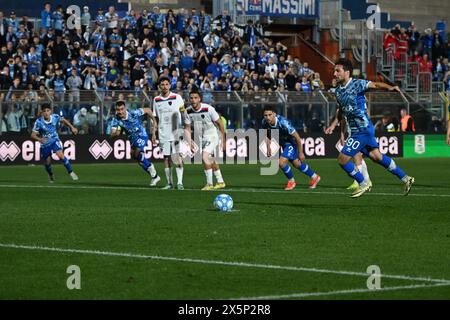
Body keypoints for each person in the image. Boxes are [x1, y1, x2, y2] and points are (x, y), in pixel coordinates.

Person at [330, 58, 414, 198]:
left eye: (338, 70)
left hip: (361, 130)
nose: (335, 73)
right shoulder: (338, 91)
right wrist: (338, 129)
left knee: (342, 159)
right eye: (334, 70)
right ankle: (406, 178)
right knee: (376, 157)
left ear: (347, 72)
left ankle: (363, 183)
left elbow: (375, 84)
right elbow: (342, 112)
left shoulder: (357, 84)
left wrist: (390, 87)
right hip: (358, 131)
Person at [262, 105, 321, 191]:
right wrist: (268, 148)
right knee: (296, 164)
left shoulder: (283, 123)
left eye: (269, 114)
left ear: (274, 114)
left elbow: (297, 137)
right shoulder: (264, 122)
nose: (267, 117)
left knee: (281, 162)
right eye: (265, 115)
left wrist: (301, 152)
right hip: (283, 143)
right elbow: (266, 135)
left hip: (291, 143)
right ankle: (315, 177)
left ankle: (291, 181)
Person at [110, 100, 160, 186]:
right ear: (116, 110)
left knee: (137, 153)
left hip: (142, 135)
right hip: (132, 139)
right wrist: (116, 134)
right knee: (136, 158)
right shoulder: (115, 119)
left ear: (125, 108)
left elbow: (147, 110)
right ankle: (155, 176)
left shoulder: (133, 113)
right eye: (118, 110)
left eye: (122, 109)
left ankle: (152, 169)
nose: (120, 112)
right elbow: (111, 135)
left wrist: (154, 121)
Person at [184, 89, 226, 190]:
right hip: (202, 138)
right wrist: (189, 142)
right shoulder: (187, 111)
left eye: (195, 98)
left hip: (212, 135)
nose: (193, 100)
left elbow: (220, 124)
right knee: (210, 159)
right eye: (191, 98)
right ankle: (220, 182)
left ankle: (209, 184)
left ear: (200, 99)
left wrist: (223, 140)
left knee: (204, 156)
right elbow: (187, 128)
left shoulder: (209, 109)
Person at [31, 103, 79, 182]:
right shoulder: (39, 122)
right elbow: (32, 135)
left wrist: (72, 127)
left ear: (50, 111)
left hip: (54, 140)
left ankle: (71, 172)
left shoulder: (55, 117)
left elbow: (63, 120)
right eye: (44, 111)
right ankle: (50, 174)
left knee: (60, 155)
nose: (46, 113)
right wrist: (39, 139)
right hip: (45, 144)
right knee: (47, 162)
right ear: (42, 112)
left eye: (48, 111)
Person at [153, 76, 185, 190]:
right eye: (162, 84)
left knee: (177, 157)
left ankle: (180, 183)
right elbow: (155, 118)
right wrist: (154, 133)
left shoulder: (177, 97)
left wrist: (186, 127)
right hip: (163, 133)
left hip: (176, 132)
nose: (165, 86)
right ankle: (169, 183)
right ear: (159, 86)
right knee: (166, 158)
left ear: (170, 85)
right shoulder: (156, 100)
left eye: (166, 84)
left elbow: (183, 113)